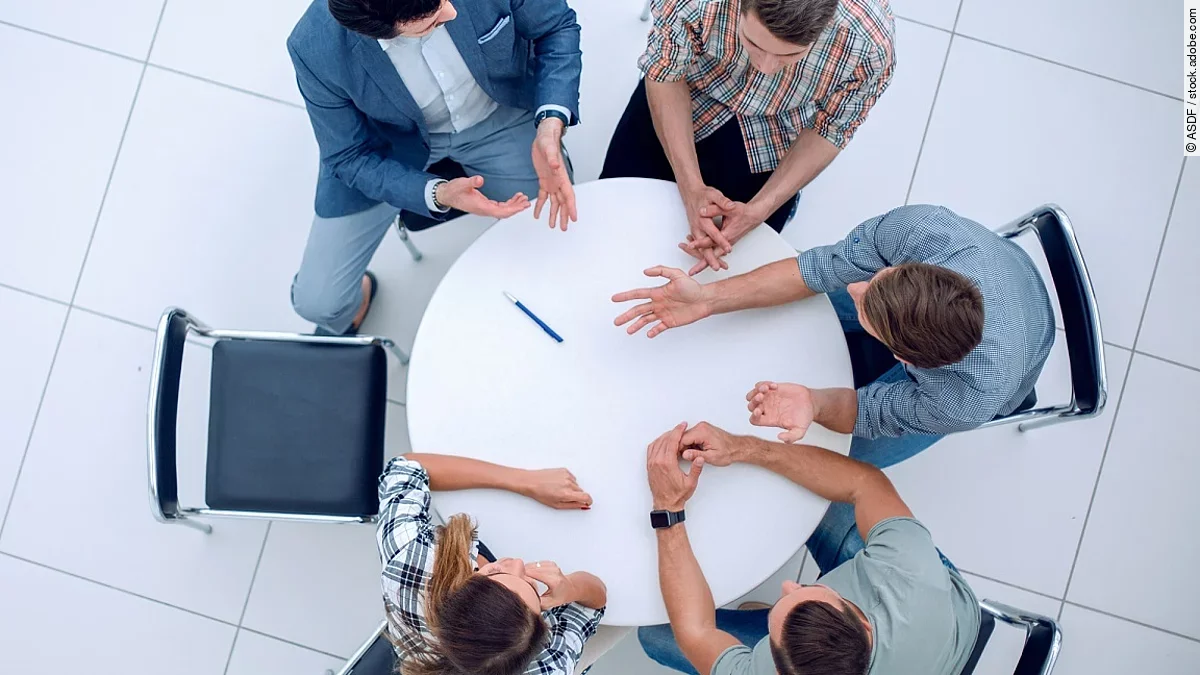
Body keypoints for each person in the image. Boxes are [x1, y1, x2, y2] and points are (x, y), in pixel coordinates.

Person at [612, 204, 1056, 470]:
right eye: (879, 280)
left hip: (1020, 354)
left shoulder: (966, 398)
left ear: (905, 358)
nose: (857, 288)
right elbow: (819, 270)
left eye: (866, 308)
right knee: (820, 288)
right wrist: (707, 299)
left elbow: (874, 411)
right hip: (1001, 268)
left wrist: (816, 404)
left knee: (843, 453)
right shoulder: (918, 230)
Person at [287, 0, 584, 335]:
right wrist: (436, 192)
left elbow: (556, 27)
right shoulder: (314, 46)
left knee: (553, 232)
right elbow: (348, 155)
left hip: (497, 114)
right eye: (432, 19)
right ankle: (358, 301)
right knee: (318, 303)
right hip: (389, 147)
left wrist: (550, 122)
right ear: (379, 32)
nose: (453, 12)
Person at [639, 421, 982, 675]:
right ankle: (777, 620)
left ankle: (778, 619)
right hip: (945, 618)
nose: (789, 584)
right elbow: (866, 483)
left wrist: (667, 507)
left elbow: (696, 632)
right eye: (805, 592)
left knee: (654, 635)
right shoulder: (907, 570)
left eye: (789, 594)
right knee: (808, 492)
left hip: (922, 640)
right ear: (864, 625)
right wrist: (744, 447)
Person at [601, 0, 895, 275]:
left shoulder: (871, 45)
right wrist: (691, 187)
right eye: (753, 43)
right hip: (688, 87)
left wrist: (760, 210)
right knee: (610, 212)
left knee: (744, 264)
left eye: (790, 54)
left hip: (777, 125)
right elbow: (666, 73)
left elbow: (831, 129)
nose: (765, 67)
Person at [378, 452, 607, 675]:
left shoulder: (408, 563)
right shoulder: (549, 668)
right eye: (532, 590)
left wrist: (525, 481)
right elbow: (594, 603)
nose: (518, 562)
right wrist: (570, 588)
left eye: (495, 572)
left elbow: (407, 467)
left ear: (460, 589)